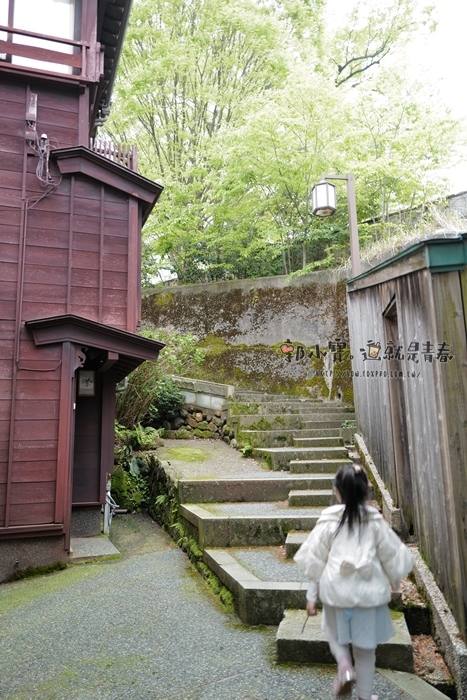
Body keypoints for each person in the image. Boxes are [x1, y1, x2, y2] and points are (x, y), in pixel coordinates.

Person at [294, 463, 413, 700]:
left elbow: (315, 560)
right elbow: (391, 554)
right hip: (368, 593)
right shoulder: (375, 521)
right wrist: (394, 580)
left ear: (337, 491)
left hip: (336, 592)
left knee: (333, 633)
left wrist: (311, 596)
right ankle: (364, 696)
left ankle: (345, 666)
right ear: (365, 491)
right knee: (365, 650)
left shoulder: (329, 521)